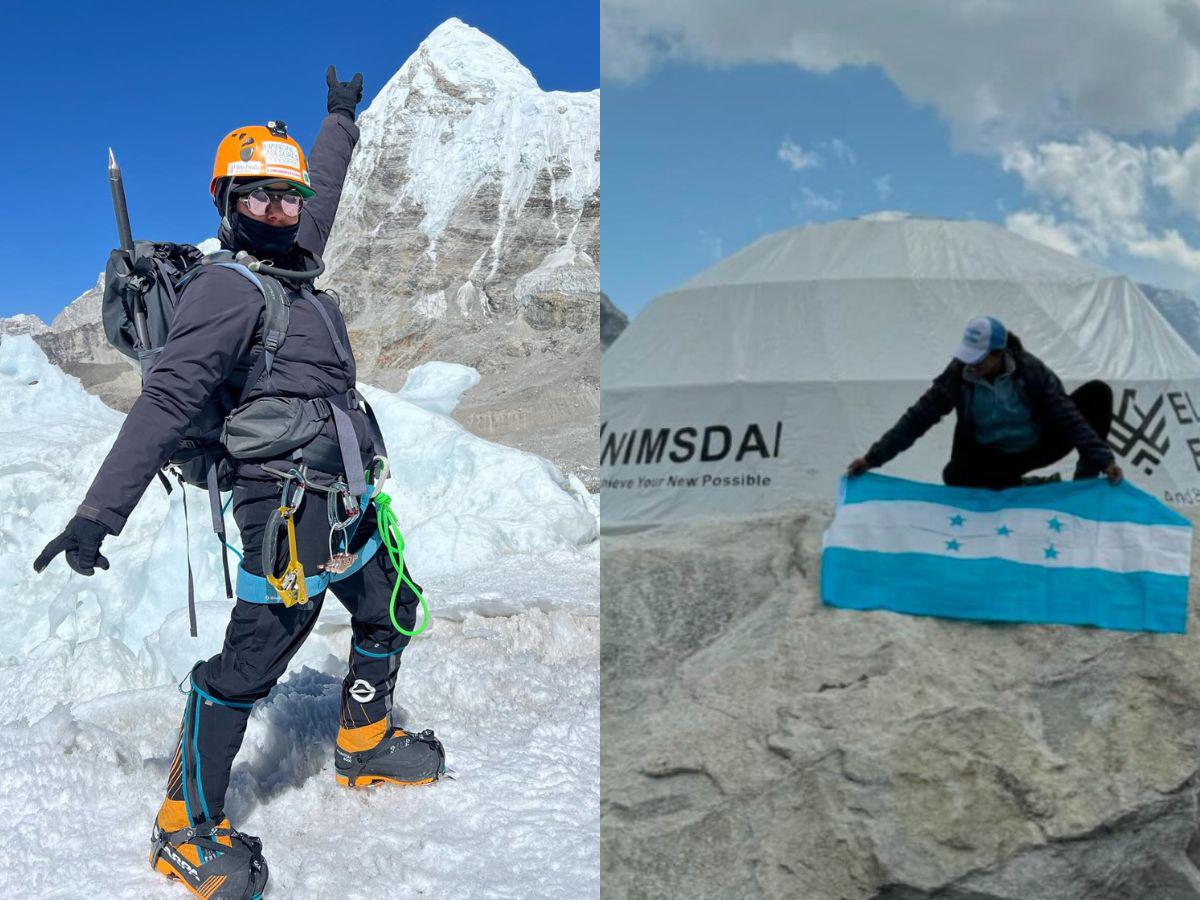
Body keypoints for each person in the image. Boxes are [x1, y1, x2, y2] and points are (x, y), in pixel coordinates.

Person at [32, 67, 444, 899]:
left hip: (348, 497)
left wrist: (339, 119)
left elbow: (322, 184)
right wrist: (95, 517)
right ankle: (183, 826)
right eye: (258, 198)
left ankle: (362, 745)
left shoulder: (297, 257)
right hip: (283, 511)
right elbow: (169, 399)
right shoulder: (228, 288)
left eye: (285, 200)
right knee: (249, 662)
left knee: (387, 604)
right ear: (227, 204)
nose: (281, 212)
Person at [847, 315, 1124, 489]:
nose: (972, 365)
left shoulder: (1029, 370)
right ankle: (1022, 485)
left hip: (1039, 444)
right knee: (955, 475)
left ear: (998, 353)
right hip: (996, 457)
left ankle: (1083, 487)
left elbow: (1066, 415)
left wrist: (1104, 460)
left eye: (979, 359)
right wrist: (873, 458)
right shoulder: (958, 374)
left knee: (1097, 394)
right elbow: (918, 418)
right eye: (968, 356)